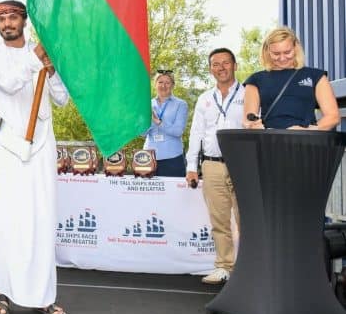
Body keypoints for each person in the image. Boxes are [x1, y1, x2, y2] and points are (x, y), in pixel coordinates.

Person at [0, 0, 69, 314]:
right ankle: (3, 292)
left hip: (42, 143)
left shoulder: (43, 52)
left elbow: (62, 98)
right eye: (2, 19)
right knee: (7, 221)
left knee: (41, 219)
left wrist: (50, 70)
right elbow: (10, 83)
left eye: (13, 17)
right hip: (10, 144)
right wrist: (35, 60)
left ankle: (43, 295)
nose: (8, 23)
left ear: (24, 20)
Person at [185, 48, 245, 285]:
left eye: (226, 63)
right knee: (219, 221)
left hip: (243, 165)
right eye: (215, 64)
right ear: (210, 69)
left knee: (246, 220)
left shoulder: (249, 93)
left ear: (235, 65)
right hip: (212, 165)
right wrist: (191, 165)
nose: (221, 68)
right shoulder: (204, 99)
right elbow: (196, 133)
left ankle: (249, 267)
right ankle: (224, 267)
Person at [243, 26, 339, 130]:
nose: (282, 58)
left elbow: (333, 116)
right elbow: (249, 118)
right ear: (267, 51)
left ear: (295, 47)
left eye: (287, 52)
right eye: (276, 54)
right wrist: (253, 125)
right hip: (270, 141)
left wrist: (308, 131)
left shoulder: (316, 76)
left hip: (306, 142)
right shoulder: (255, 80)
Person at [143, 71, 188, 177]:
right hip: (148, 158)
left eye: (167, 83)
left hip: (172, 158)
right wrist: (148, 121)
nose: (163, 86)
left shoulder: (181, 104)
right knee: (148, 193)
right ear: (155, 84)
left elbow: (178, 131)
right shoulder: (147, 104)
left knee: (173, 193)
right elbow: (142, 133)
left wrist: (158, 122)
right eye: (160, 82)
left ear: (173, 85)